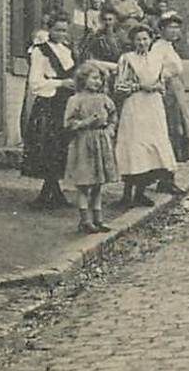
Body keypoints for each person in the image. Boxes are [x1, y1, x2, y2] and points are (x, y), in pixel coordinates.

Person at [112, 25, 177, 209]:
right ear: (133, 41)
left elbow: (161, 84)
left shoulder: (157, 59)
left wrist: (157, 87)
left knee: (150, 145)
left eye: (145, 39)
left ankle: (140, 192)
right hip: (135, 105)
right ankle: (126, 195)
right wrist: (141, 87)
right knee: (133, 144)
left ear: (150, 40)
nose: (142, 42)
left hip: (153, 107)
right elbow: (120, 86)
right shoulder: (127, 59)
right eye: (138, 39)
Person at [21, 18, 76, 208]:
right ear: (49, 29)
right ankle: (50, 194)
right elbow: (35, 82)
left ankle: (51, 192)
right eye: (58, 30)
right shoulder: (40, 51)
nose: (61, 34)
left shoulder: (67, 51)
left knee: (61, 146)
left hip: (65, 102)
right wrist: (61, 83)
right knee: (48, 146)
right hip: (49, 101)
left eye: (64, 30)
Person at [64, 60, 119, 234]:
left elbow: (113, 116)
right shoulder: (75, 100)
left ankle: (98, 218)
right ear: (83, 79)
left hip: (101, 142)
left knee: (98, 183)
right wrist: (86, 122)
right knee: (84, 183)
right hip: (83, 144)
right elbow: (68, 123)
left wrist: (110, 129)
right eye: (94, 78)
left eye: (100, 79)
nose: (98, 82)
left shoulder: (104, 99)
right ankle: (84, 220)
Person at [150, 11, 189, 195]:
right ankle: (165, 179)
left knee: (179, 130)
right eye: (170, 27)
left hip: (176, 91)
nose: (175, 31)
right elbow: (154, 70)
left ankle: (168, 178)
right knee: (171, 131)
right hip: (167, 92)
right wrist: (166, 79)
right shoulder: (158, 47)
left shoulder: (169, 47)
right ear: (161, 29)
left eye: (177, 27)